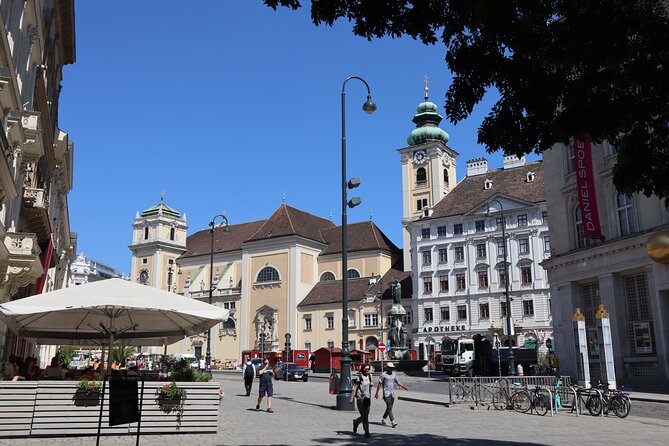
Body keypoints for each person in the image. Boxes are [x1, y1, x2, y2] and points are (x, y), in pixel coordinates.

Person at [374, 362, 408, 428]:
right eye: (390, 368)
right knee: (389, 406)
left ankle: (383, 419)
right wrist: (376, 393)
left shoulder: (394, 374)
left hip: (392, 393)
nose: (391, 369)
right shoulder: (383, 375)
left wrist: (404, 387)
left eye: (392, 368)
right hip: (386, 393)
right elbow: (379, 384)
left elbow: (398, 382)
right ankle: (393, 421)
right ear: (387, 367)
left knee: (389, 407)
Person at [349, 363, 372, 437]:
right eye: (366, 369)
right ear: (363, 369)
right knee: (365, 416)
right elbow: (355, 387)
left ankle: (356, 422)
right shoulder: (360, 377)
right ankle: (367, 432)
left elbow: (370, 387)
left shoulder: (370, 376)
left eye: (368, 369)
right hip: (360, 398)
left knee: (365, 415)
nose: (367, 370)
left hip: (367, 398)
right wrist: (352, 397)